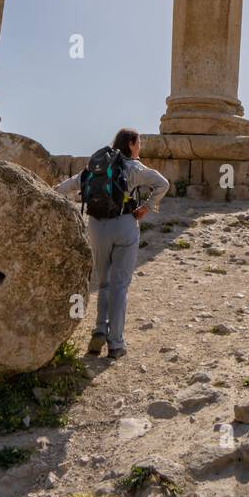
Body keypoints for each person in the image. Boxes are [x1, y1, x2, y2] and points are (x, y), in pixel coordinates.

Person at [58, 128, 169, 360]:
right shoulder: (134, 168)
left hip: (96, 227)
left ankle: (99, 331)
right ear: (130, 144)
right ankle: (116, 343)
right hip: (125, 225)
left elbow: (68, 185)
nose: (140, 147)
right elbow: (162, 183)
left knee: (104, 283)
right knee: (119, 286)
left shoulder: (97, 165)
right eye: (139, 142)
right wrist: (147, 207)